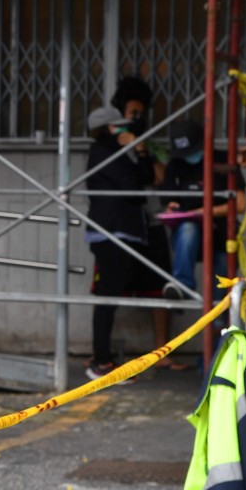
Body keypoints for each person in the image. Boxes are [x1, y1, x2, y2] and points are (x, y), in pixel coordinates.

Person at [109, 76, 187, 370]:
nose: (136, 118)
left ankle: (162, 353)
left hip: (152, 223)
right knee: (112, 287)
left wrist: (141, 147)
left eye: (140, 113)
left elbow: (159, 177)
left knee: (160, 284)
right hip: (122, 225)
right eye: (132, 113)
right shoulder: (109, 143)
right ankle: (106, 353)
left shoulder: (149, 143)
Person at [84, 105, 156, 380]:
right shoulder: (103, 152)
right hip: (111, 232)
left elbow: (146, 178)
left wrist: (140, 150)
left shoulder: (114, 152)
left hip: (123, 231)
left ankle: (102, 357)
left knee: (111, 294)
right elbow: (134, 184)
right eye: (120, 126)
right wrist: (135, 151)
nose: (125, 130)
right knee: (107, 296)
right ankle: (100, 361)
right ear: (110, 128)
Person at [161, 120, 246, 301]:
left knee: (219, 301)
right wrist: (172, 209)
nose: (189, 157)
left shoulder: (224, 160)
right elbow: (168, 202)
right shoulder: (176, 166)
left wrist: (206, 212)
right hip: (190, 239)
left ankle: (219, 323)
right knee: (189, 228)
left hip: (222, 236)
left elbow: (240, 204)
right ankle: (182, 285)